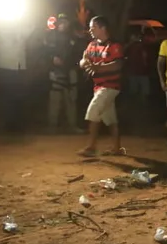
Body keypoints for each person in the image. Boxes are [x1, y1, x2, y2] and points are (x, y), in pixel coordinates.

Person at [78, 16, 124, 156]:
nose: (90, 30)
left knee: (93, 111)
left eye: (93, 27)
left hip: (110, 86)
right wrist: (86, 63)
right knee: (110, 118)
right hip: (98, 86)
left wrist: (99, 68)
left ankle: (91, 147)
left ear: (103, 28)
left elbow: (118, 64)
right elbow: (82, 60)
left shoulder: (114, 45)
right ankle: (117, 148)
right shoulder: (92, 45)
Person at [0, 19, 35, 132]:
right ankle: (8, 123)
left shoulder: (21, 29)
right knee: (6, 97)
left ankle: (19, 123)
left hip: (19, 67)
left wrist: (27, 16)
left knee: (19, 96)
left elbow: (31, 27)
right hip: (5, 67)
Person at [47, 14, 83, 132]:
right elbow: (44, 53)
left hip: (71, 71)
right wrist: (52, 59)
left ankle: (72, 125)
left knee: (71, 99)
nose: (63, 24)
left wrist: (76, 66)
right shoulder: (51, 36)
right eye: (61, 21)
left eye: (65, 21)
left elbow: (79, 54)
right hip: (56, 72)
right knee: (55, 99)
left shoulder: (74, 37)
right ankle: (52, 126)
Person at [125, 32, 152, 102]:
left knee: (143, 90)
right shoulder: (130, 46)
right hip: (134, 70)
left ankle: (143, 104)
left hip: (141, 71)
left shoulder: (143, 45)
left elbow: (145, 56)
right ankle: (136, 103)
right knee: (134, 89)